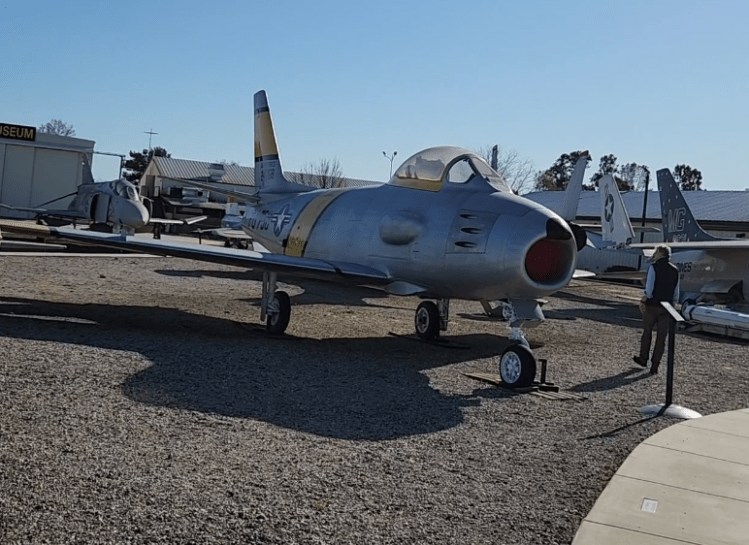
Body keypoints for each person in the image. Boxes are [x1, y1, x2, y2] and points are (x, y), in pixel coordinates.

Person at [634, 245, 680, 374]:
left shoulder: (653, 268)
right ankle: (655, 366)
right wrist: (673, 304)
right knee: (661, 338)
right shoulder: (675, 270)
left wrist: (643, 299)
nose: (654, 254)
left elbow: (649, 290)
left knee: (647, 333)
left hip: (653, 306)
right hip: (667, 307)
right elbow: (676, 292)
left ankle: (643, 358)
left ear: (660, 253)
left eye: (656, 252)